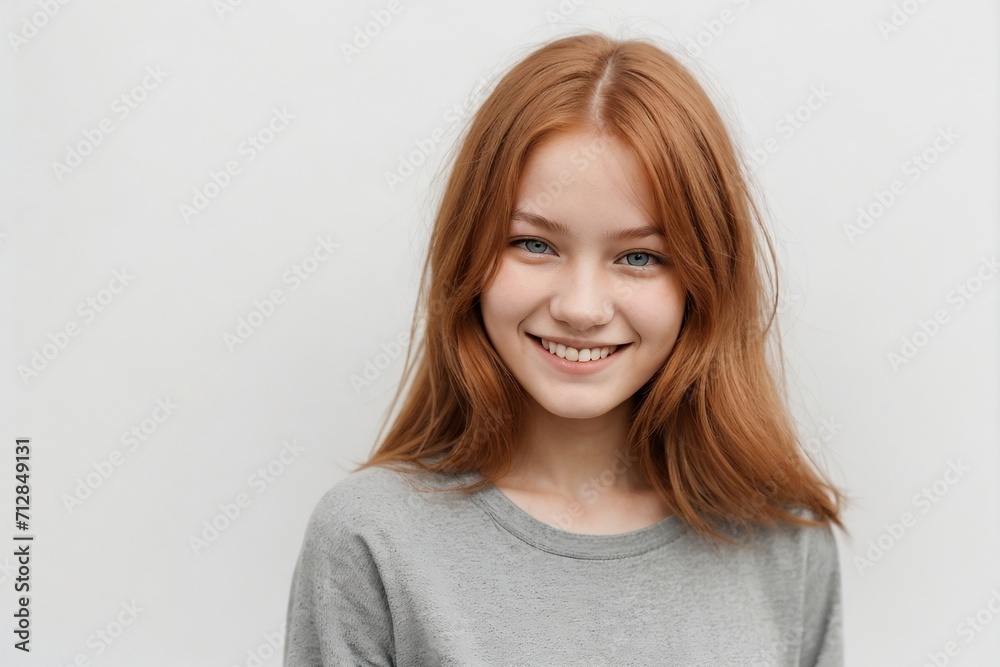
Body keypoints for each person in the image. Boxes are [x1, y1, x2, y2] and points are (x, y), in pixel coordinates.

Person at [283, 30, 849, 666]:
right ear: (469, 253)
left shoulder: (785, 545)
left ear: (704, 284)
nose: (581, 308)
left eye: (639, 257)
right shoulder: (371, 540)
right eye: (535, 244)